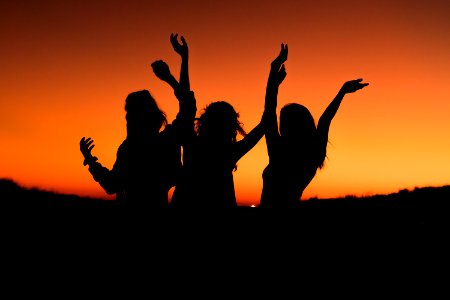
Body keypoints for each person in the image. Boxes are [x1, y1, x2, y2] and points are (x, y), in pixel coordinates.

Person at [153, 34, 283, 209]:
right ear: (232, 127)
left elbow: (186, 102)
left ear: (204, 122)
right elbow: (266, 120)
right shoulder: (230, 152)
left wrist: (182, 61)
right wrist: (273, 81)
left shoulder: (193, 145)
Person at [259, 44, 369, 208]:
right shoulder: (313, 152)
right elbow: (325, 120)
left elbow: (269, 108)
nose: (280, 126)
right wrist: (342, 92)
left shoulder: (278, 150)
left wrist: (274, 74)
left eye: (283, 121)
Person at [79, 89, 181, 209]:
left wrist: (90, 160)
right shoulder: (166, 141)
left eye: (130, 112)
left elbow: (112, 184)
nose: (127, 118)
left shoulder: (130, 148)